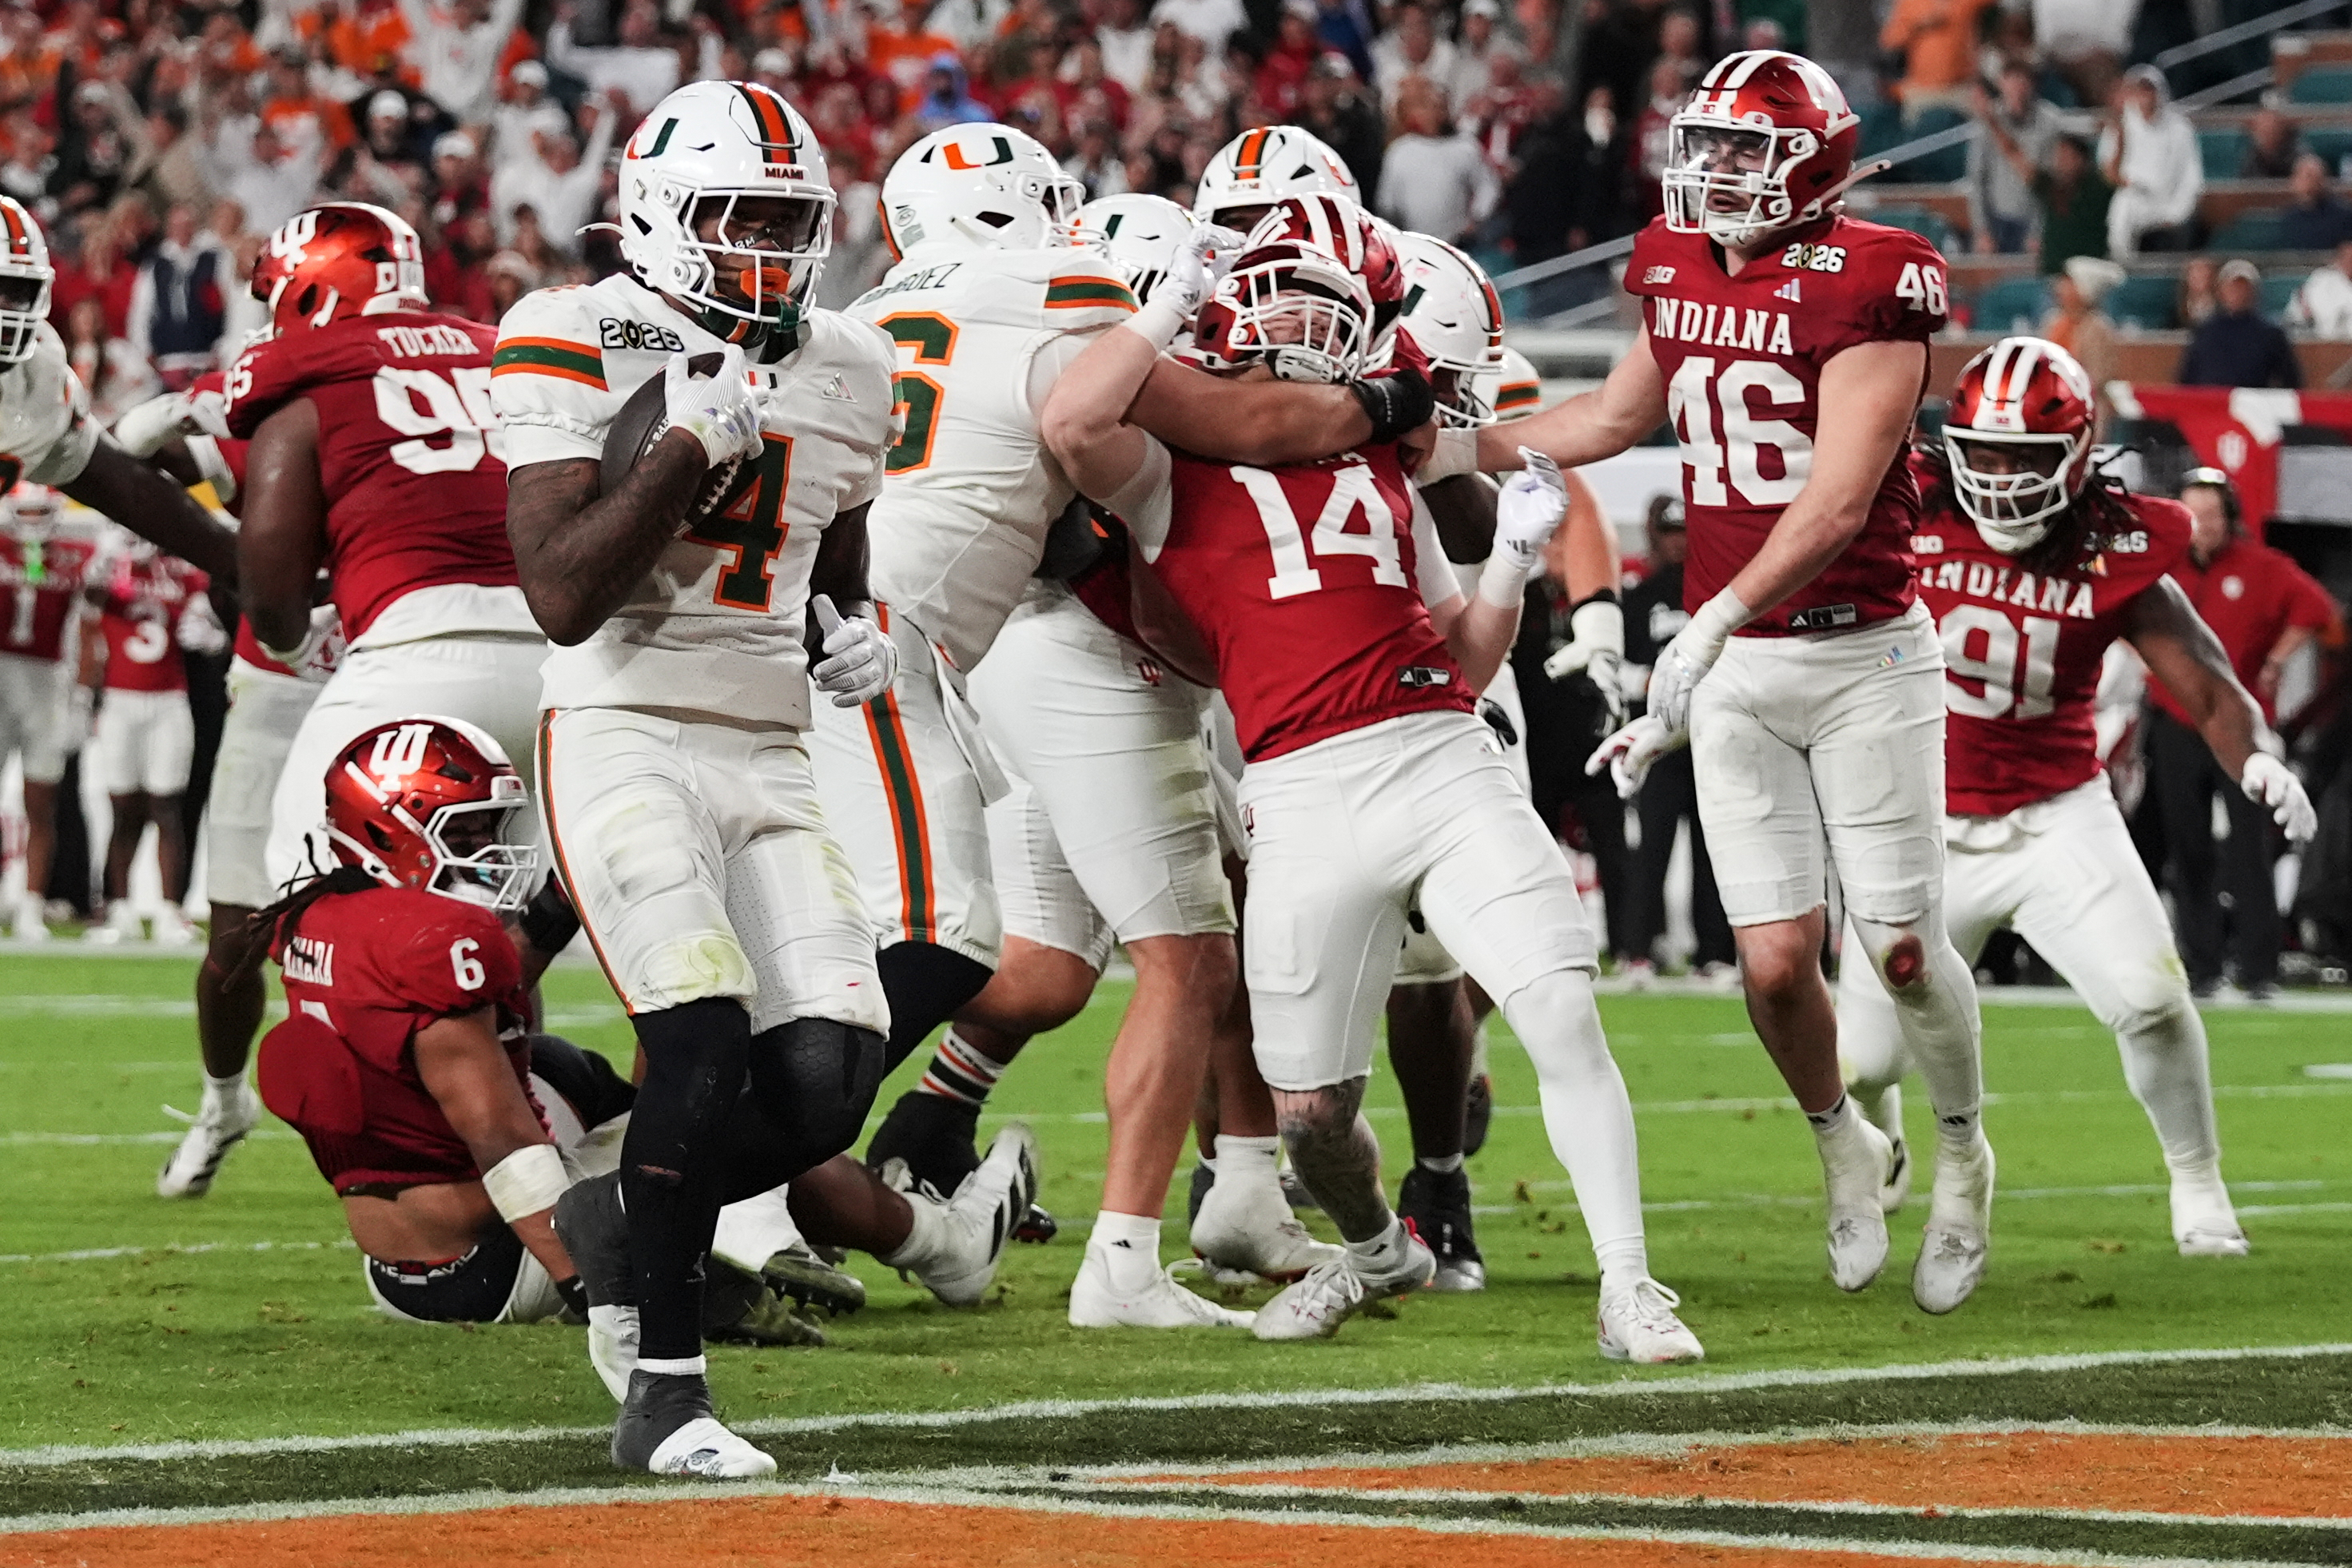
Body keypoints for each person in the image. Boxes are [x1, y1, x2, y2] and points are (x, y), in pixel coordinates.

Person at [1043, 193, 1702, 1361]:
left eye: (1325, 300)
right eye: (1275, 292)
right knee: (1308, 1121)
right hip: (1294, 784)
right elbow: (1072, 419)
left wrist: (1507, 561)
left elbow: (1462, 657)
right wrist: (1162, 311)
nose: (1297, 315)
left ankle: (1631, 1284)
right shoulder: (1166, 461)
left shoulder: (1385, 462)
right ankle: (1371, 1248)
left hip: (1441, 755)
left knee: (1556, 1008)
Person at [1440, 50, 1994, 1315]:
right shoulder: (1674, 261)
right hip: (1739, 659)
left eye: (1746, 149)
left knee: (1901, 949)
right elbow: (1609, 420)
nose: (1717, 171)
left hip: (1861, 653)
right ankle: (1841, 1149)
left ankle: (1961, 1155)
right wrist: (1443, 442)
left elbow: (1839, 493)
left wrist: (1711, 618)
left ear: (1811, 161)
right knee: (1769, 964)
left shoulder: (1873, 275)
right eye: (1711, 146)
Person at [834, 133, 1412, 1327]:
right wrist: (1380, 406)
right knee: (1164, 952)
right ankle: (1111, 1255)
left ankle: (1224, 1188)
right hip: (1041, 646)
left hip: (939, 636)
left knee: (1053, 959)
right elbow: (1171, 499)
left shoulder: (894, 305)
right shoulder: (1087, 292)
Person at [491, 80, 982, 1479]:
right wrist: (687, 448)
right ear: (654, 215)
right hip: (622, 720)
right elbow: (561, 592)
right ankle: (662, 1380)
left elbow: (831, 533)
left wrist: (844, 622)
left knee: (828, 1078)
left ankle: (616, 1219)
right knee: (699, 1030)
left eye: (786, 220)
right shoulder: (569, 328)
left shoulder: (846, 360)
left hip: (767, 738)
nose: (766, 250)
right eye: (734, 218)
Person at [253, 717, 1030, 1345]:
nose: (487, 852)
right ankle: (943, 1244)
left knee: (568, 1068)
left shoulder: (325, 916)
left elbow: (454, 1031)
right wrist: (602, 1288)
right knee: (713, 1125)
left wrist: (556, 910)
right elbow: (501, 1142)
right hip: (501, 1259)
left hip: (403, 1262)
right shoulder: (433, 948)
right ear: (393, 833)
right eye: (464, 835)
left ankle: (751, 1228)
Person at [1841, 340, 2316, 1256]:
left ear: (2077, 452)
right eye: (1984, 452)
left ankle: (2197, 1180)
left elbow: (2209, 684)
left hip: (2057, 814)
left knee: (2150, 998)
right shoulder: (1902, 508)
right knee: (1863, 1062)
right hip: (1913, 823)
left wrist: (2255, 758)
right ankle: (1886, 1128)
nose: (2002, 477)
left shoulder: (2112, 544)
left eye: (2025, 457)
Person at [218, 202, 550, 925]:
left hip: (414, 656)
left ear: (314, 289)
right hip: (554, 667)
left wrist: (286, 639)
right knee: (497, 923)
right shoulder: (502, 353)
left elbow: (271, 591)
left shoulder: (310, 382)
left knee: (304, 893)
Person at [112, 371, 332, 1198]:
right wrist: (183, 407)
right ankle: (223, 1102)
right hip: (279, 687)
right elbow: (135, 451)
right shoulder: (285, 431)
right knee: (235, 946)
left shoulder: (420, 433)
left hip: (397, 680)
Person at [2143, 468, 2341, 997]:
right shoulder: (2160, 564)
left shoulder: (2262, 568)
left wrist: (2275, 659)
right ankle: (2201, 966)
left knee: (2248, 847)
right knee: (2186, 848)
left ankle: (2257, 968)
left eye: (2210, 514)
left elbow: (2319, 611)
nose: (2201, 525)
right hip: (2175, 722)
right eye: (2191, 514)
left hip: (2238, 727)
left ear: (2229, 516)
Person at [1612, 494, 1734, 980]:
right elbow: (1619, 667)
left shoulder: (1717, 593)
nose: (1678, 542)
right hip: (1658, 738)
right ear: (1655, 535)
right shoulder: (1640, 595)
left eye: (1685, 532)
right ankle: (1638, 950)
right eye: (1670, 532)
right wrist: (1650, 683)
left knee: (1713, 851)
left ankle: (1715, 953)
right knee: (1651, 850)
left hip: (1710, 736)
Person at [83, 536, 209, 945]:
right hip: (120, 699)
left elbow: (207, 608)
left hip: (169, 699)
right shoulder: (110, 565)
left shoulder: (180, 570)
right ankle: (120, 909)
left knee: (167, 807)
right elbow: (90, 594)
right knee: (123, 809)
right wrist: (110, 555)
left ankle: (170, 911)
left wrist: (206, 630)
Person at [0, 485, 96, 940]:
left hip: (47, 683)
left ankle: (31, 904)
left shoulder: (76, 558)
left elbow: (87, 629)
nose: (34, 519)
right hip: (1, 676)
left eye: (42, 511)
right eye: (27, 510)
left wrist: (81, 698)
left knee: (41, 801)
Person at [2099, 66, 2201, 257]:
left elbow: (2192, 178)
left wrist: (2177, 214)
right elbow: (2109, 170)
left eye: (2150, 90)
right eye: (2140, 90)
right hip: (2137, 199)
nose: (2145, 96)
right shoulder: (2120, 125)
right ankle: (2124, 265)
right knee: (2122, 207)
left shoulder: (2181, 129)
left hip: (2172, 205)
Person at [1968, 63, 2059, 255]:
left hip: (2035, 219)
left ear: (2033, 84)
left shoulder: (2050, 122)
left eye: (2023, 79)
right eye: (2011, 79)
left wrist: (2041, 232)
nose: (2017, 86)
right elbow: (1977, 179)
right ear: (2001, 83)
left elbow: (2050, 182)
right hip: (1998, 220)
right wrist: (1982, 231)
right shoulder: (1986, 120)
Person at [2178, 260, 2299, 389]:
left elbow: (2290, 380)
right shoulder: (2205, 331)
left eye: (2243, 287)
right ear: (2221, 290)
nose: (2237, 292)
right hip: (2210, 404)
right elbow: (2187, 376)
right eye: (2232, 287)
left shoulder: (2270, 334)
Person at [2040, 255, 2122, 434]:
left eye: (2069, 283)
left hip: (2085, 410)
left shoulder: (2098, 327)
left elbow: (2097, 377)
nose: (2061, 287)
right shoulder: (2053, 322)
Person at [2289, 238, 2352, 338]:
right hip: (2324, 340)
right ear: (2339, 259)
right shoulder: (2322, 279)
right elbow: (2311, 310)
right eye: (2349, 259)